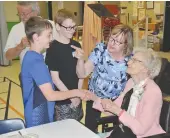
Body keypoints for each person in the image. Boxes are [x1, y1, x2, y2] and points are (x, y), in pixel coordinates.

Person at [21, 16, 94, 128]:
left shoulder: (35, 57)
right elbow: (50, 95)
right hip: (38, 116)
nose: (51, 38)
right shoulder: (35, 62)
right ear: (36, 37)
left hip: (43, 111)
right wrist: (77, 93)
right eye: (48, 35)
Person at [73, 24, 133, 132]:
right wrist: (80, 60)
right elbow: (82, 74)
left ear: (126, 45)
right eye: (111, 38)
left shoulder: (130, 60)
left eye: (117, 42)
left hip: (115, 102)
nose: (111, 43)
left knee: (115, 131)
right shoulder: (101, 49)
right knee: (90, 129)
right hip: (94, 96)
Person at [99, 47, 165, 138]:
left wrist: (118, 111)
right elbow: (114, 107)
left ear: (145, 68)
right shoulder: (131, 83)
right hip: (122, 133)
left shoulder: (153, 92)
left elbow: (140, 129)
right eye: (131, 59)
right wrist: (94, 98)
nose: (128, 62)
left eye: (134, 60)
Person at [45, 9, 84, 121]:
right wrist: (72, 97)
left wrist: (78, 94)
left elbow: (80, 75)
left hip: (77, 97)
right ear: (58, 27)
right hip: (63, 100)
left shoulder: (76, 45)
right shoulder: (52, 48)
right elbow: (56, 79)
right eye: (68, 27)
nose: (72, 31)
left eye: (74, 27)